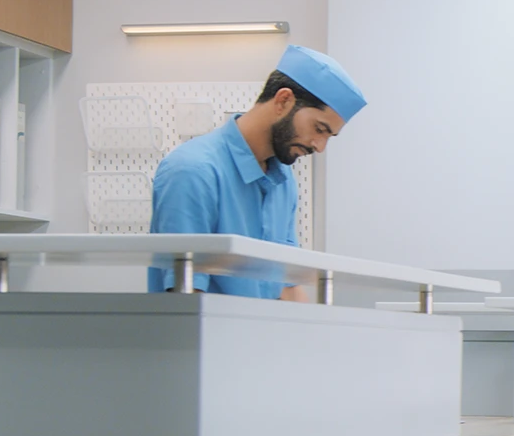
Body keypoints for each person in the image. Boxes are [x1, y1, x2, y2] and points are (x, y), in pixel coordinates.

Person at [148, 45, 366, 298]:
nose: (320, 146)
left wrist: (319, 334)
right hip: (209, 335)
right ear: (284, 100)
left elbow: (287, 285)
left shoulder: (282, 181)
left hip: (259, 335)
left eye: (330, 136)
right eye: (319, 129)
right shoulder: (193, 171)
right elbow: (186, 295)